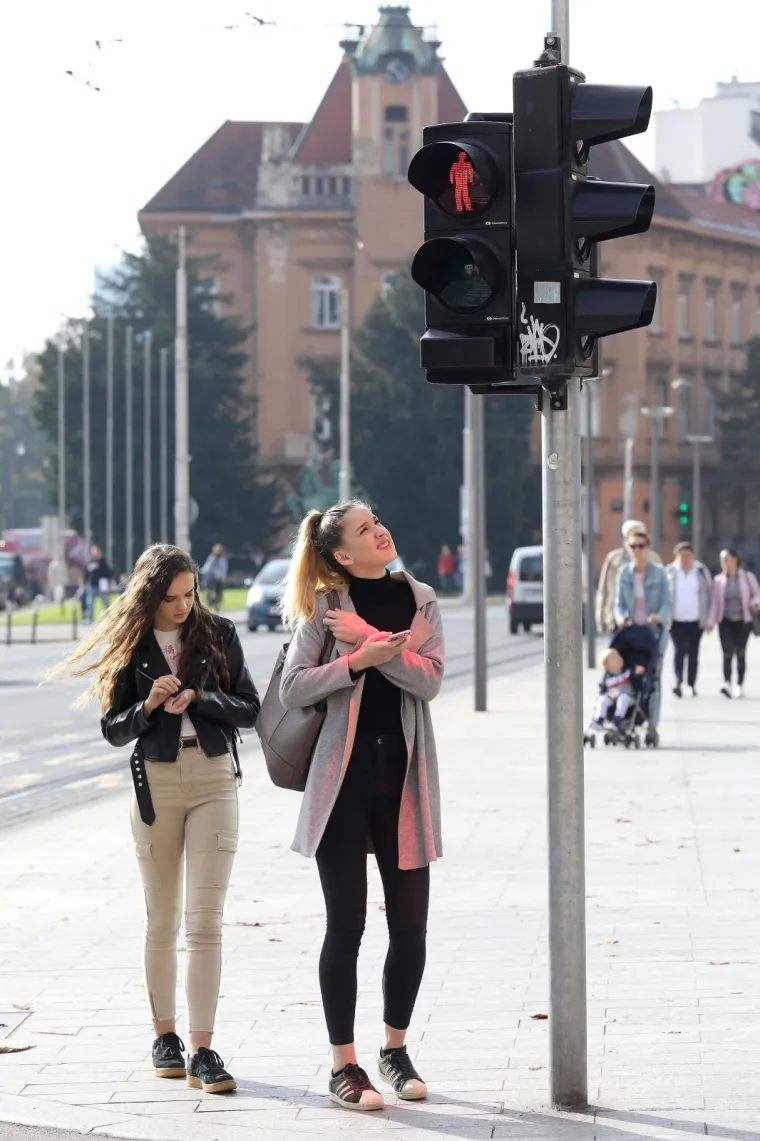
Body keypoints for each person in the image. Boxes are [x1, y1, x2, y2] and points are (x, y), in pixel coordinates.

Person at [53, 545, 260, 1094]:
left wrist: (200, 696)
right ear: (149, 596)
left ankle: (204, 1048)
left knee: (205, 920)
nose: (183, 606)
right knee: (162, 918)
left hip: (214, 778)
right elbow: (114, 728)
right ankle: (164, 1037)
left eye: (189, 594)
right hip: (156, 787)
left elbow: (250, 707)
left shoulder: (217, 632)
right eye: (170, 598)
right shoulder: (133, 644)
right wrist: (146, 708)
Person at [279, 501, 444, 1112]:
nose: (381, 530)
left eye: (379, 521)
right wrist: (353, 662)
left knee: (410, 925)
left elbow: (429, 679)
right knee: (346, 925)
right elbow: (292, 686)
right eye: (365, 529)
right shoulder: (327, 609)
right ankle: (343, 1065)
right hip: (341, 780)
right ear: (343, 555)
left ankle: (394, 1051)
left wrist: (378, 646)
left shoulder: (421, 599)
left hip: (403, 779)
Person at [614, 531, 671, 740]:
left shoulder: (659, 573)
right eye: (633, 546)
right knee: (628, 677)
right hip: (630, 635)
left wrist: (660, 616)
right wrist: (620, 617)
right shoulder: (624, 573)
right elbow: (618, 602)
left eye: (641, 546)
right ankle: (625, 718)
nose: (637, 550)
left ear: (648, 548)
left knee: (653, 678)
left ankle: (652, 725)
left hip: (653, 634)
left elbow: (667, 601)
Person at [706, 548, 760, 698]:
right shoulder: (718, 581)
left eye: (727, 559)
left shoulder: (747, 577)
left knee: (741, 653)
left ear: (736, 560)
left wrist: (755, 603)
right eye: (722, 559)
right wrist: (710, 622)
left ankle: (739, 685)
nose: (725, 562)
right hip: (726, 622)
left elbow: (757, 595)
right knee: (727, 653)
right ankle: (727, 683)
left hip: (744, 622)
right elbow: (715, 604)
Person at [596, 518, 663, 633]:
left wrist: (662, 616)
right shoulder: (614, 559)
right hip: (619, 619)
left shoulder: (654, 560)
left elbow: (664, 591)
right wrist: (601, 617)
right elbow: (604, 590)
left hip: (648, 619)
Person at [665, 541, 713, 698]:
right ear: (676, 555)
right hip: (676, 620)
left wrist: (709, 619)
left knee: (693, 652)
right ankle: (678, 682)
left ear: (693, 556)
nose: (685, 559)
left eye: (688, 555)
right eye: (682, 555)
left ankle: (691, 684)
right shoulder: (670, 572)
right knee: (679, 651)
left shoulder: (700, 571)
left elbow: (710, 593)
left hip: (696, 620)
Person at [591, 648, 644, 729]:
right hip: (613, 698)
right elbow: (604, 690)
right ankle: (599, 719)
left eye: (618, 656)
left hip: (628, 697)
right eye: (613, 658)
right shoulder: (607, 678)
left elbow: (637, 681)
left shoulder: (628, 672)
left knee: (623, 698)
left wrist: (638, 674)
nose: (618, 658)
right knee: (602, 699)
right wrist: (608, 694)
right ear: (606, 665)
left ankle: (617, 720)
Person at [84, 544, 113, 623]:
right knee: (90, 602)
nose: (94, 554)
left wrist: (108, 585)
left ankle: (108, 617)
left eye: (96, 552)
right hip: (92, 585)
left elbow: (108, 573)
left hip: (101, 586)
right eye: (93, 552)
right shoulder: (90, 562)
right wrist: (84, 583)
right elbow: (86, 574)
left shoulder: (102, 562)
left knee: (105, 601)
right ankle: (90, 618)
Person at [201, 544, 228, 610]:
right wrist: (203, 571)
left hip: (219, 578)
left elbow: (223, 569)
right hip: (211, 578)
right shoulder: (211, 557)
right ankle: (209, 603)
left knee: (218, 593)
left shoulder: (223, 559)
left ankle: (217, 605)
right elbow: (207, 566)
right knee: (208, 591)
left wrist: (221, 577)